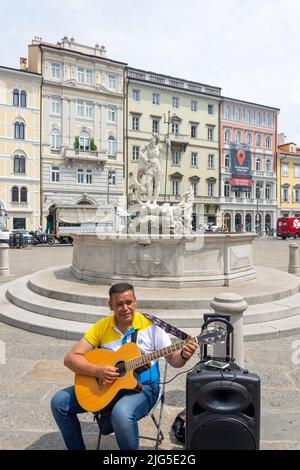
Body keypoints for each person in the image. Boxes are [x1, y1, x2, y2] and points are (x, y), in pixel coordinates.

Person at [51, 283, 197, 450]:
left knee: (121, 414)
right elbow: (70, 358)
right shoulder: (102, 326)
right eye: (119, 304)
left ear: (135, 302)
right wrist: (98, 371)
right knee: (59, 402)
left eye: (129, 302)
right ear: (110, 305)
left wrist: (185, 355)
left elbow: (174, 361)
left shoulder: (152, 326)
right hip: (109, 387)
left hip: (145, 389)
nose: (125, 308)